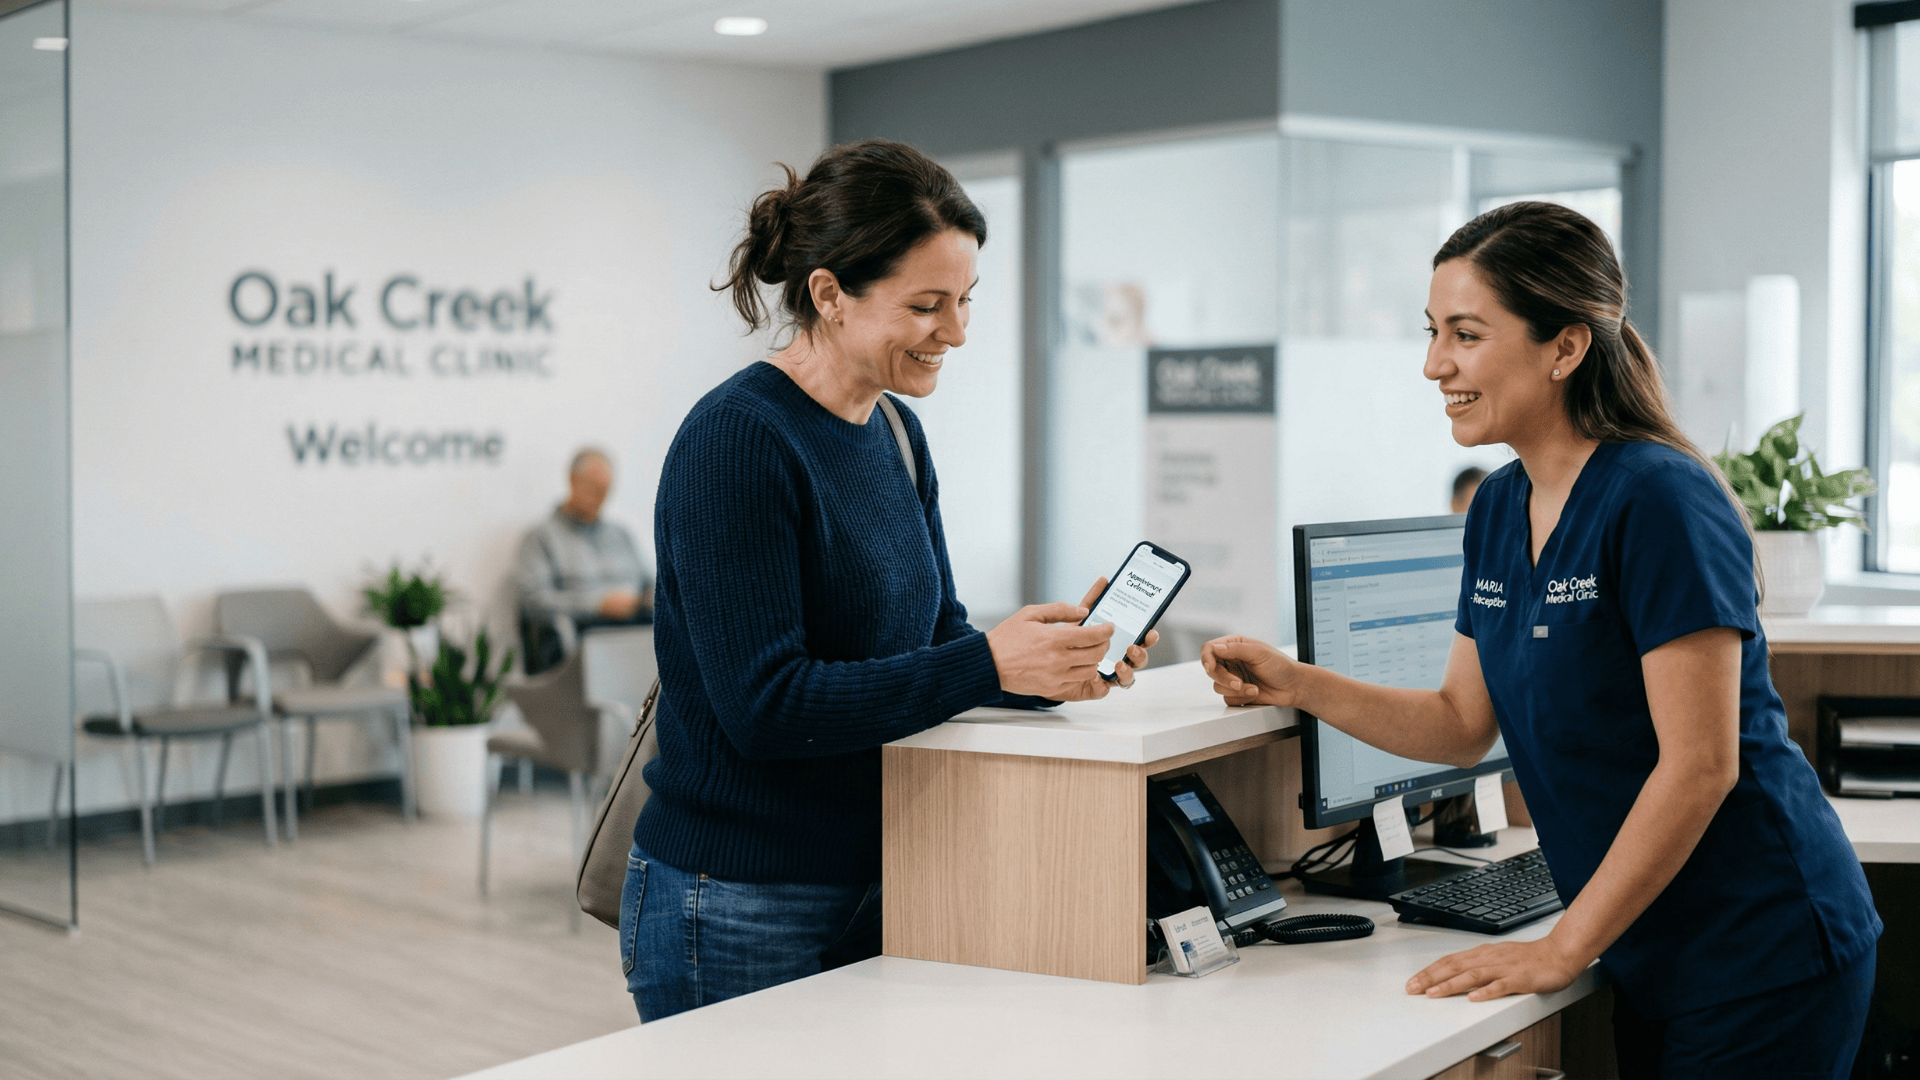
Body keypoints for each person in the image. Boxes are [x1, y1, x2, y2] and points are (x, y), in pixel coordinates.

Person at [1202, 202, 1879, 1079]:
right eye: (1433, 332)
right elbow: (1460, 723)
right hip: (1650, 945)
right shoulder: (1497, 506)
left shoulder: (1660, 499)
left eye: (1466, 334)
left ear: (1565, 348)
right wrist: (1297, 682)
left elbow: (1701, 765)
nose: (1434, 364)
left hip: (1763, 946)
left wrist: (1563, 947)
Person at [622, 139, 1154, 1022]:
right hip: (735, 900)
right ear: (830, 294)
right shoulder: (738, 441)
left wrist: (1046, 664)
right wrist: (987, 663)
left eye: (965, 300)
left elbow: (935, 640)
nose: (958, 332)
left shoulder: (896, 432)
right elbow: (765, 707)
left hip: (882, 876)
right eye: (926, 305)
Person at [514, 447, 653, 673]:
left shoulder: (622, 535)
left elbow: (652, 582)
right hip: (583, 639)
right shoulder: (541, 538)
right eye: (593, 487)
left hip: (639, 631)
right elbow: (534, 602)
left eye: (605, 490)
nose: (599, 497)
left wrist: (646, 600)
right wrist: (597, 606)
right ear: (572, 480)